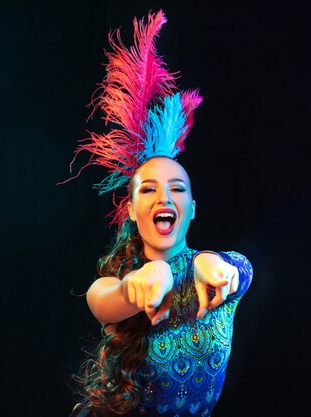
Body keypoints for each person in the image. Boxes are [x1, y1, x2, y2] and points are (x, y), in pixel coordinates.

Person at [59, 10, 253, 416]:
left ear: (192, 208)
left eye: (177, 188)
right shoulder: (115, 287)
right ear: (131, 209)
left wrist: (219, 265)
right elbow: (103, 300)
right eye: (148, 189)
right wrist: (138, 285)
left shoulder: (215, 276)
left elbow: (242, 269)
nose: (164, 196)